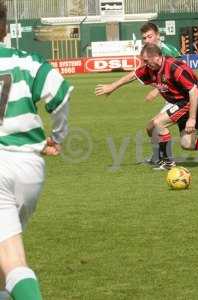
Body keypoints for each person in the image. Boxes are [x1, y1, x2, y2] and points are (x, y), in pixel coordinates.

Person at [0, 1, 73, 299]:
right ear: (5, 29)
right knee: (4, 257)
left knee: (13, 260)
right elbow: (61, 92)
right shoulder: (26, 60)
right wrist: (56, 137)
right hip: (30, 168)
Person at [95, 44, 198, 169]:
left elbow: (193, 91)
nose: (144, 64)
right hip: (182, 101)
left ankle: (167, 162)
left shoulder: (174, 67)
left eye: (146, 60)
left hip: (196, 99)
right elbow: (133, 75)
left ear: (157, 57)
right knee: (184, 142)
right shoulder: (150, 68)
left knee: (158, 123)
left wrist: (191, 119)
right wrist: (112, 87)